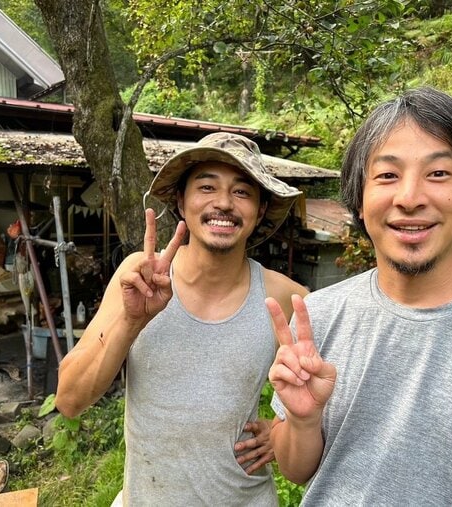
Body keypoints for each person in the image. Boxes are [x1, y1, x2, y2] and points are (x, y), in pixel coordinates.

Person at [266, 87, 452, 505]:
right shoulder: (318, 315)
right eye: (387, 175)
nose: (410, 198)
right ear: (358, 200)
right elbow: (295, 470)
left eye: (439, 174)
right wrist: (303, 422)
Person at [55, 132, 309, 505]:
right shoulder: (140, 277)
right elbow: (69, 400)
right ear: (180, 200)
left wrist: (287, 428)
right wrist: (131, 320)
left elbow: (332, 393)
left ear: (259, 210)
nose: (224, 203)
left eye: (242, 192)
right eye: (207, 187)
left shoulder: (284, 297)